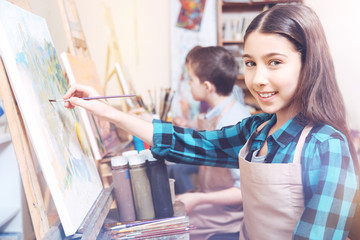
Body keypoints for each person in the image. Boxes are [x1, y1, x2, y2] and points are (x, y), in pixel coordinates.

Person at [63, 3, 359, 239]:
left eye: (275, 62)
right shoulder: (256, 129)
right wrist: (107, 111)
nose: (258, 79)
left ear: (308, 64)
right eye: (251, 63)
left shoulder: (326, 146)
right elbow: (188, 143)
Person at [168, 46, 250, 239]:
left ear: (207, 86)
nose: (188, 84)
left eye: (191, 79)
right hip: (211, 204)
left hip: (226, 219)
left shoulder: (231, 123)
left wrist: (198, 198)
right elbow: (203, 124)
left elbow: (244, 190)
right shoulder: (217, 112)